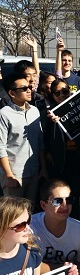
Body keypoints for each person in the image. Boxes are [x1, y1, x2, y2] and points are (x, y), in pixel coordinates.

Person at [0, 196, 80, 275]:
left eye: (28, 221)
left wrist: (66, 271)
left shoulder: (32, 251)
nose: (28, 228)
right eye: (20, 226)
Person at [32, 179, 80, 275]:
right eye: (57, 201)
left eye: (69, 200)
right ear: (43, 205)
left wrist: (76, 270)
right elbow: (28, 267)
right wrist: (67, 269)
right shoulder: (29, 228)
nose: (65, 205)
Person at [0, 72, 47, 202]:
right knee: (13, 217)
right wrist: (9, 175)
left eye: (29, 88)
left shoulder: (34, 111)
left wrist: (43, 168)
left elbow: (40, 142)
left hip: (34, 173)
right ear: (12, 93)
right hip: (14, 175)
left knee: (30, 213)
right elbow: (1, 147)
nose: (29, 91)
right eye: (24, 89)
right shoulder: (4, 114)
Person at [43, 79, 80, 218]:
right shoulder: (48, 114)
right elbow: (45, 140)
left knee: (75, 196)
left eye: (65, 91)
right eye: (57, 93)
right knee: (60, 195)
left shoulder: (78, 108)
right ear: (53, 96)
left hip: (77, 159)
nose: (61, 95)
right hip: (60, 162)